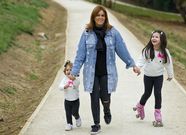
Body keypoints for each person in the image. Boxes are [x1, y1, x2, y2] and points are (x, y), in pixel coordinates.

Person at [69, 5, 139, 134]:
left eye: (103, 15)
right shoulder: (86, 33)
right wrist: (74, 72)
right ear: (93, 17)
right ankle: (96, 124)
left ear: (105, 17)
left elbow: (122, 49)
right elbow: (80, 55)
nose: (100, 17)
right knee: (94, 97)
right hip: (91, 73)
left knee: (105, 97)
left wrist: (132, 64)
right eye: (98, 15)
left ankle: (106, 109)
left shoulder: (113, 32)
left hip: (108, 71)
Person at [133, 30, 174, 127]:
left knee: (157, 93)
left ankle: (158, 116)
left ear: (161, 39)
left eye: (156, 37)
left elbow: (168, 64)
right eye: (152, 36)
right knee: (147, 93)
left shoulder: (165, 52)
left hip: (158, 77)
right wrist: (138, 68)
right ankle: (140, 106)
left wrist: (170, 75)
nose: (154, 38)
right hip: (147, 76)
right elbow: (141, 60)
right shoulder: (147, 50)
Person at [59, 60, 81, 131]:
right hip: (67, 100)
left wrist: (73, 80)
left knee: (74, 112)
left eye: (71, 70)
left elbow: (77, 84)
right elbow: (60, 87)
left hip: (75, 100)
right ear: (65, 71)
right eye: (67, 70)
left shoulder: (76, 79)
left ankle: (77, 117)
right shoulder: (64, 79)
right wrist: (64, 86)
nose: (69, 71)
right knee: (68, 113)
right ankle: (69, 124)